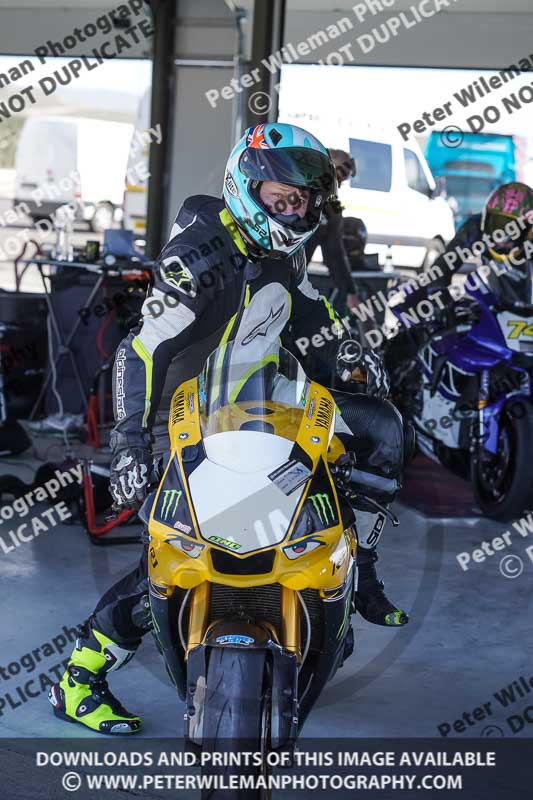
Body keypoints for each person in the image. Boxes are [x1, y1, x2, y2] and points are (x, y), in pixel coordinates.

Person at [48, 123, 408, 736]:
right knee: (176, 560)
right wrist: (129, 444)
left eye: (300, 202)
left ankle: (360, 570)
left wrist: (347, 347)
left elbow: (304, 308)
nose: (291, 212)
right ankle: (79, 680)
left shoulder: (284, 249)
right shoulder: (198, 255)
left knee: (382, 430)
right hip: (174, 414)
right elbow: (140, 350)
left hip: (255, 400)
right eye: (279, 198)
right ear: (245, 187)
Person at [383, 181, 533, 407]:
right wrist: (436, 302)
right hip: (496, 310)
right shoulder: (476, 228)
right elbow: (442, 269)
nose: (500, 237)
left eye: (511, 229)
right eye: (496, 224)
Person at [304, 148, 361, 312]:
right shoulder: (293, 189)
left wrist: (350, 291)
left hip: (291, 279)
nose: (338, 185)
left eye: (341, 182)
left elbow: (336, 253)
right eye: (338, 178)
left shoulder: (334, 206)